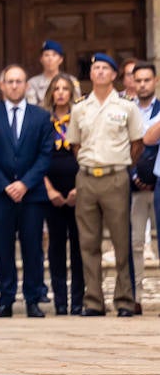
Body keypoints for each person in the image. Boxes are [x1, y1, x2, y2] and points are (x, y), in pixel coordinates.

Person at [68, 53, 145, 317]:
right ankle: (93, 301)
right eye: (96, 68)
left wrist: (120, 164)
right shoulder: (80, 108)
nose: (100, 72)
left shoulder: (126, 106)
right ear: (90, 75)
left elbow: (137, 143)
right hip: (87, 177)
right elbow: (75, 145)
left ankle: (124, 300)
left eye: (105, 69)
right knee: (88, 242)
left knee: (121, 240)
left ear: (115, 75)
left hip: (115, 177)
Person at [0, 64, 53, 317]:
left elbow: (45, 154)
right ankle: (5, 299)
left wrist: (25, 183)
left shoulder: (40, 117)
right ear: (2, 85)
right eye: (10, 81)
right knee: (2, 247)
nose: (15, 85)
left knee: (32, 247)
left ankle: (32, 299)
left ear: (27, 86)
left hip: (31, 194)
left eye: (19, 81)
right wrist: (5, 185)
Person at [42, 74, 84, 315]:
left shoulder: (79, 119)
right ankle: (60, 300)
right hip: (52, 191)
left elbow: (87, 153)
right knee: (56, 245)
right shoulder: (43, 122)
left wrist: (80, 188)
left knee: (79, 245)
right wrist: (49, 190)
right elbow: (36, 157)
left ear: (71, 93)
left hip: (78, 188)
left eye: (64, 88)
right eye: (56, 88)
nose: (60, 93)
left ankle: (78, 300)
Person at [128, 61, 159, 308]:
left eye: (147, 80)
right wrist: (134, 176)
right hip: (134, 186)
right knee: (135, 241)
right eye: (138, 80)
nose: (142, 84)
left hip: (157, 182)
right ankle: (135, 296)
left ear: (155, 81)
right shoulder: (126, 110)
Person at [26, 40, 78, 108]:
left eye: (54, 55)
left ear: (61, 59)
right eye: (46, 55)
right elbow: (32, 108)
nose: (50, 59)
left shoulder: (72, 80)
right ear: (41, 59)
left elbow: (77, 104)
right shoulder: (32, 83)